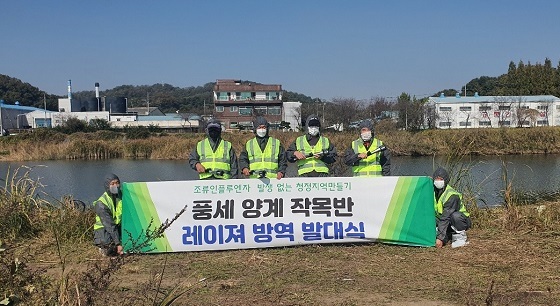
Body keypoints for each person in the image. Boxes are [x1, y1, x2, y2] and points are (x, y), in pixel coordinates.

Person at [433, 167, 472, 248]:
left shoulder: (451, 195)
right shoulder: (432, 191)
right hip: (443, 220)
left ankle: (460, 238)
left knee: (455, 216)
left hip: (460, 220)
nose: (438, 181)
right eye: (436, 179)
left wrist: (440, 239)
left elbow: (446, 217)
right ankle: (443, 233)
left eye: (441, 179)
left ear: (446, 180)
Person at [93, 173, 124, 256]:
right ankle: (103, 247)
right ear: (107, 185)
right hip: (104, 228)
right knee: (110, 249)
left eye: (117, 183)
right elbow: (109, 225)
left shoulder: (122, 195)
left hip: (117, 226)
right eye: (112, 184)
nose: (116, 185)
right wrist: (118, 244)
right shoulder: (101, 204)